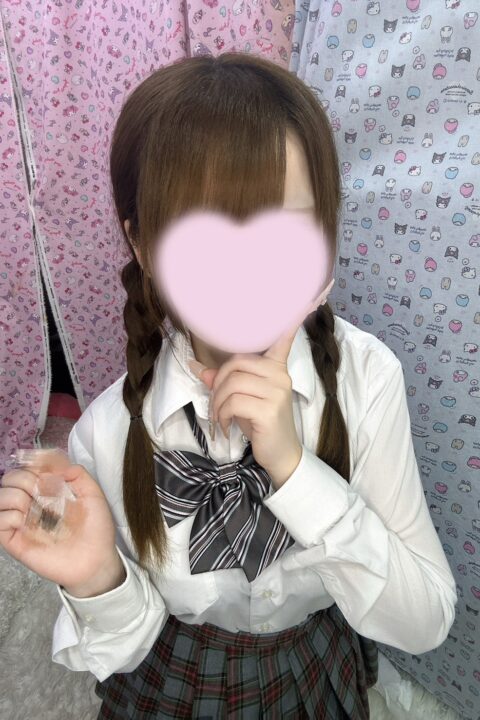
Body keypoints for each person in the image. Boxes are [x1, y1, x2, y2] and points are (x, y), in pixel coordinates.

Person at [0, 52, 457, 719]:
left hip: (312, 654)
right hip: (178, 669)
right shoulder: (108, 432)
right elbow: (126, 647)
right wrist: (98, 578)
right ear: (142, 244)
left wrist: (297, 471)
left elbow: (425, 621)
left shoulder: (367, 377)